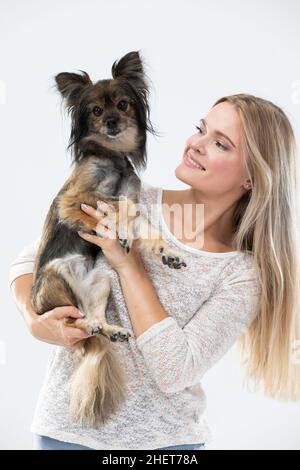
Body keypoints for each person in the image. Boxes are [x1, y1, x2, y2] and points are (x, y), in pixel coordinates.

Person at [9, 94, 300, 451]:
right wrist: (32, 319)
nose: (196, 144)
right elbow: (30, 260)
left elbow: (174, 370)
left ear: (252, 178)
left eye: (220, 143)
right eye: (201, 129)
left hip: (166, 449)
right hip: (67, 433)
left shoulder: (241, 273)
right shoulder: (130, 196)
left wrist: (129, 264)